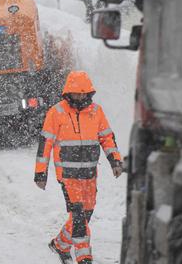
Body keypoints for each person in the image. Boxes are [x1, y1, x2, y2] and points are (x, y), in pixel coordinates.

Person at [34, 71, 123, 264]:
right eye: (77, 93)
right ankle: (84, 257)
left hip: (90, 173)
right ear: (68, 93)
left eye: (84, 93)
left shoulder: (96, 111)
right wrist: (40, 173)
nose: (81, 97)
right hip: (67, 174)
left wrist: (115, 161)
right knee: (78, 215)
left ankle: (60, 244)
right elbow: (45, 145)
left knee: (86, 213)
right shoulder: (56, 112)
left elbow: (107, 137)